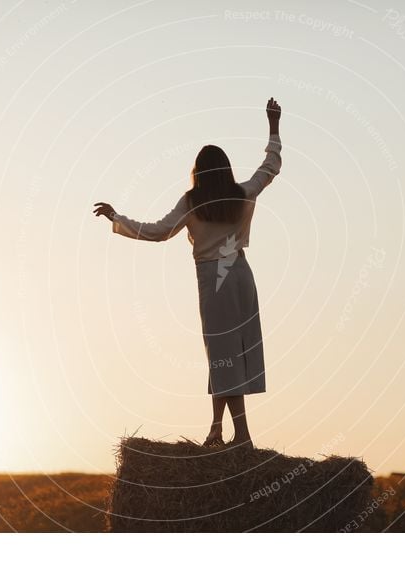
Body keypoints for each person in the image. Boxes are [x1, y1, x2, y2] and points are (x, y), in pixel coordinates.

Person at [93, 97, 282, 450]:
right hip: (240, 273)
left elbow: (159, 231)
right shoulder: (241, 193)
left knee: (221, 355)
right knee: (233, 353)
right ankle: (221, 429)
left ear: (197, 171)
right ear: (225, 169)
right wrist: (273, 125)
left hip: (215, 278)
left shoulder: (192, 201)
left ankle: (238, 435)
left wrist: (118, 219)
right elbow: (270, 167)